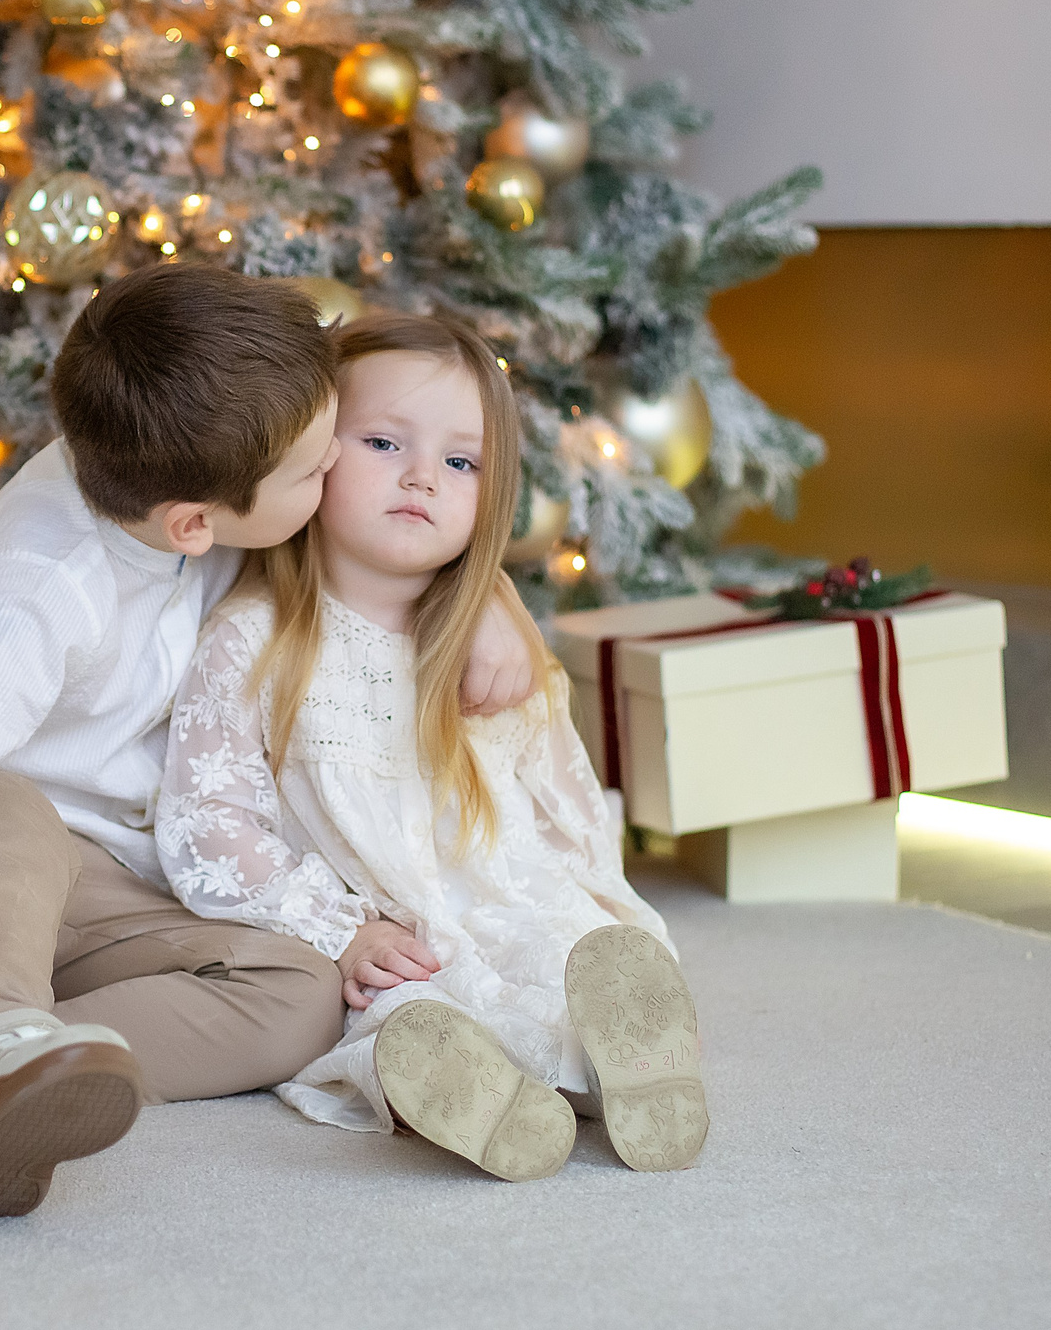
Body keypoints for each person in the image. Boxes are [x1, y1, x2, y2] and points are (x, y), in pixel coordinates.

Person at [0, 266, 544, 1217]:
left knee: (301, 990)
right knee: (4, 803)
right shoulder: (36, 587)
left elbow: (383, 542)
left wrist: (487, 600)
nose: (334, 482)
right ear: (197, 526)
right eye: (319, 469)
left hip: (98, 884)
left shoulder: (203, 470)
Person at [155, 311, 709, 1182]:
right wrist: (338, 930)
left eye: (461, 462)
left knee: (565, 964)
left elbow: (560, 795)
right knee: (394, 1012)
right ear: (314, 454)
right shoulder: (255, 637)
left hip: (506, 895)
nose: (422, 477)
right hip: (379, 932)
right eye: (383, 441)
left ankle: (626, 1071)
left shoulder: (491, 646)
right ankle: (469, 1093)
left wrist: (599, 900)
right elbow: (212, 823)